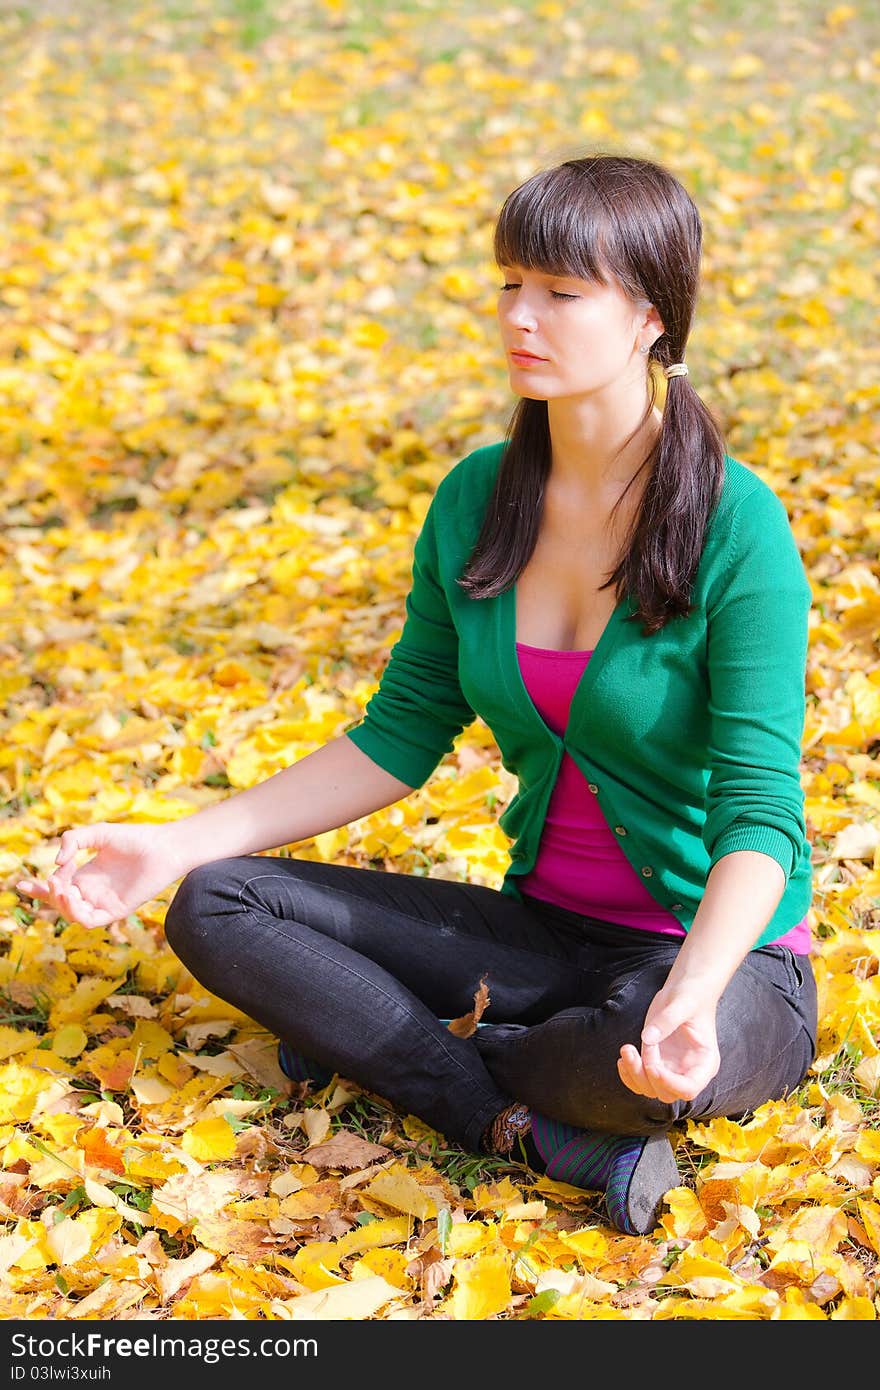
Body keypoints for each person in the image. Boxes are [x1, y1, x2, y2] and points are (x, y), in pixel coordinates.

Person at [16, 153, 817, 1237]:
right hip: (545, 932)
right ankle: (505, 1111)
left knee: (632, 1049)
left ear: (648, 317)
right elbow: (398, 735)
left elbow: (762, 813)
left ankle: (422, 1044)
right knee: (219, 900)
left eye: (560, 292)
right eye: (508, 285)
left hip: (722, 956)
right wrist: (174, 842)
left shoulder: (736, 525)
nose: (519, 316)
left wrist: (690, 993)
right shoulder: (478, 499)